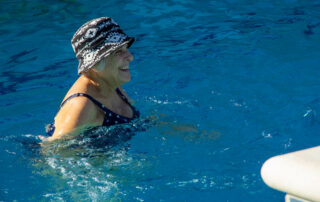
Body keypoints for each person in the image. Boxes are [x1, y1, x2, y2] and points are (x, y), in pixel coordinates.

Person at [45, 17, 139, 141]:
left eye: (126, 49)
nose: (130, 57)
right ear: (96, 63)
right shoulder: (81, 105)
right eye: (118, 52)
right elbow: (52, 152)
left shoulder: (110, 84)